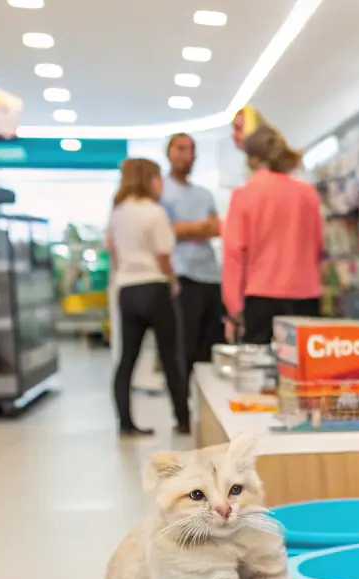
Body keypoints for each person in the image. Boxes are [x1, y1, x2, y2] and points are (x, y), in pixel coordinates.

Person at [220, 125, 323, 346]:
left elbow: (234, 255)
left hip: (261, 296)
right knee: (301, 372)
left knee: (260, 371)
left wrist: (234, 308)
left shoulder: (244, 195)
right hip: (306, 295)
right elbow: (317, 247)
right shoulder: (308, 194)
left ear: (251, 158)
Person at [105, 157, 183, 437]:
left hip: (128, 289)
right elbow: (163, 254)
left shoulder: (117, 212)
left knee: (127, 358)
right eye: (158, 177)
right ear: (148, 179)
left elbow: (112, 250)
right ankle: (183, 418)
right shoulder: (155, 212)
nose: (162, 183)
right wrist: (173, 281)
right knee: (171, 356)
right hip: (154, 287)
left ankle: (125, 423)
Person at [161, 133, 221, 415]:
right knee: (183, 345)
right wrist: (199, 228)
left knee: (210, 347)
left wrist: (187, 228)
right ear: (169, 152)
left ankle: (209, 406)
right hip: (182, 278)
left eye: (191, 150)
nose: (187, 155)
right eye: (181, 148)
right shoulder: (161, 191)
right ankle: (182, 411)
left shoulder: (204, 194)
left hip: (211, 277)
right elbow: (166, 232)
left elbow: (216, 228)